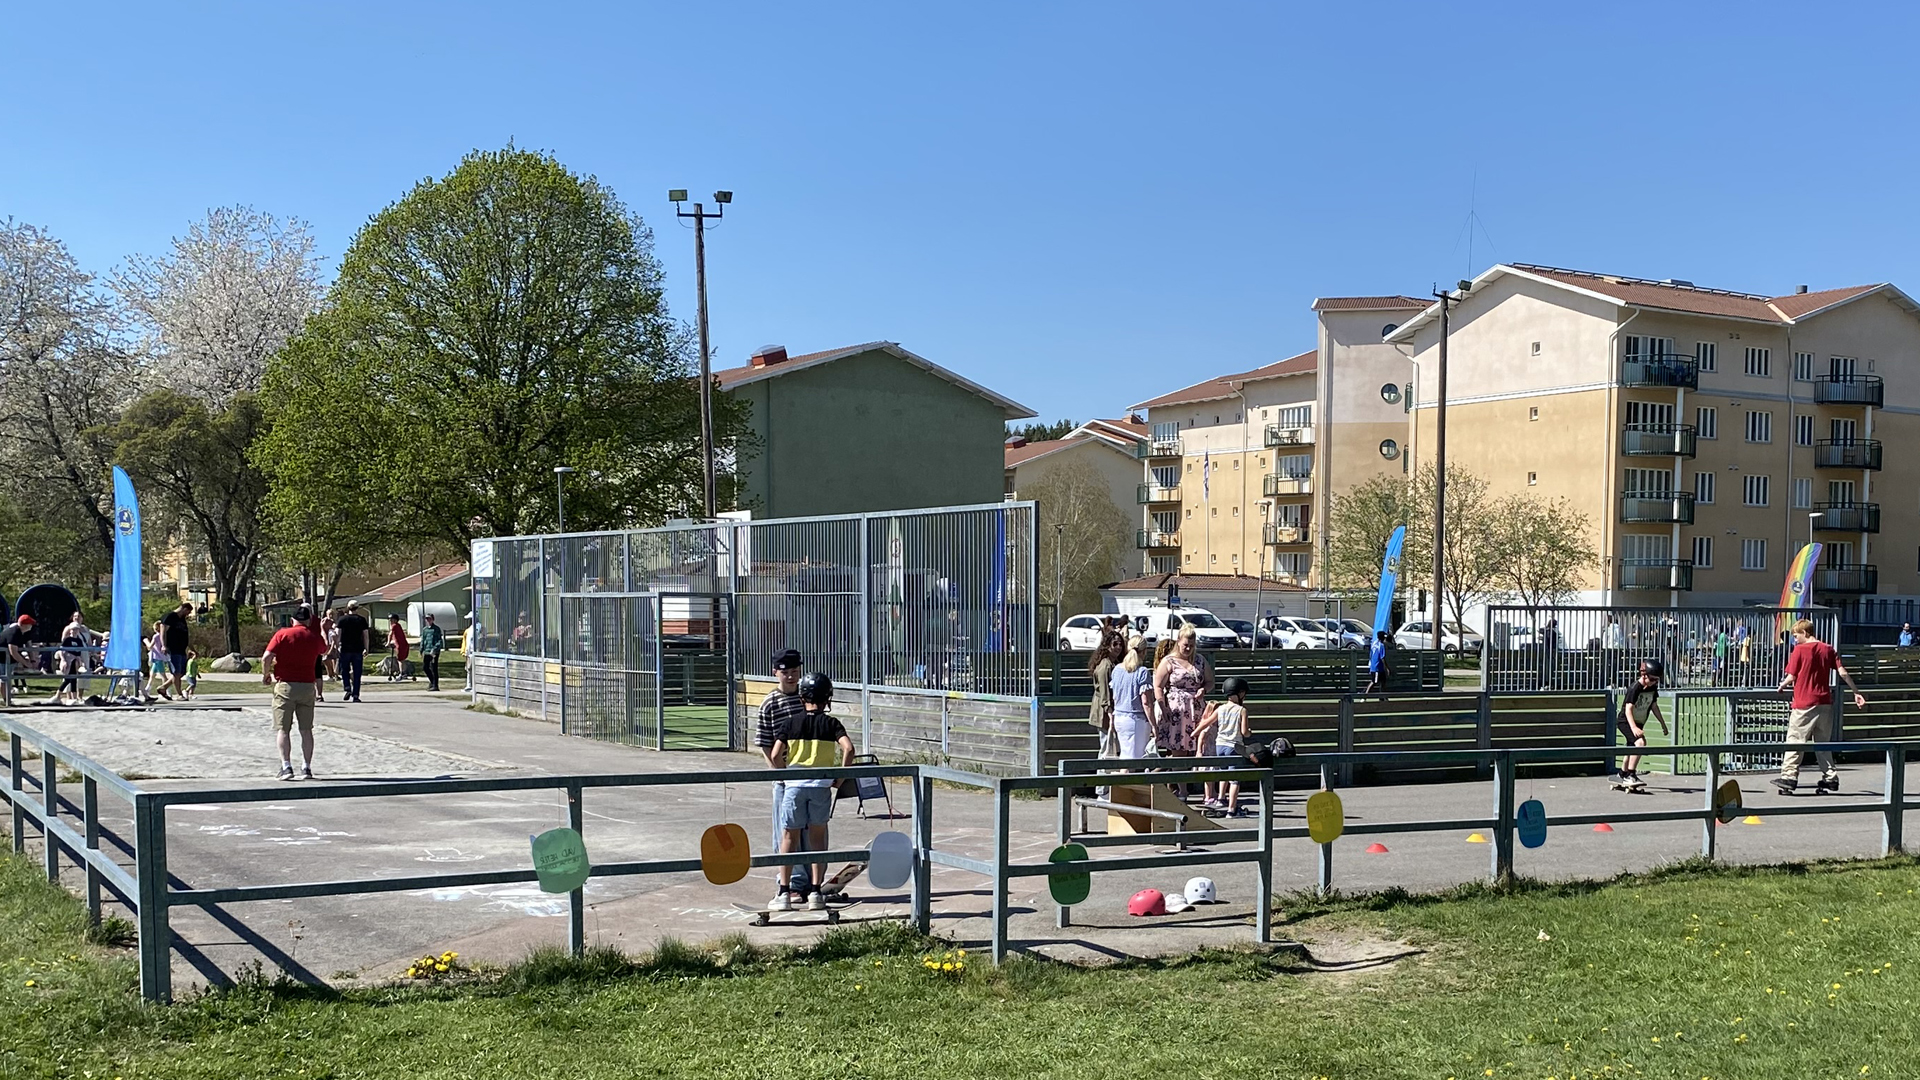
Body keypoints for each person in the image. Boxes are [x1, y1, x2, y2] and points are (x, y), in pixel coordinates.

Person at [769, 671, 854, 913]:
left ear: (802, 696)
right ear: (828, 698)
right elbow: (849, 749)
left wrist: (784, 775)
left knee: (789, 838)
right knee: (818, 839)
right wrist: (840, 777)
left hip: (794, 787)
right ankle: (816, 892)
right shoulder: (832, 724)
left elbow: (775, 755)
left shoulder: (791, 723)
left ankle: (784, 892)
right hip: (820, 788)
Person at [1774, 618, 1867, 795]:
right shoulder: (1828, 649)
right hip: (1824, 702)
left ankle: (1789, 777)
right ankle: (1830, 778)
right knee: (1823, 743)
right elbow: (1842, 672)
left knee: (1795, 740)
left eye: (1796, 635)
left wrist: (1782, 685)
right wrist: (1856, 692)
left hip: (1804, 703)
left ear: (1805, 633)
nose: (1794, 639)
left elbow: (1792, 676)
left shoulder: (1800, 650)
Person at [754, 649, 808, 901]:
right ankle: (790, 882)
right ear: (775, 672)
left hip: (808, 773)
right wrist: (777, 773)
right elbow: (765, 743)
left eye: (795, 673)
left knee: (810, 828)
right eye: (785, 673)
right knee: (786, 830)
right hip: (784, 776)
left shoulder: (806, 698)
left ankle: (811, 879)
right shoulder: (770, 703)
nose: (790, 677)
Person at [262, 604, 326, 780]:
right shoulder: (314, 637)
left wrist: (266, 674)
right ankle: (306, 767)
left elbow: (266, 656)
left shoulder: (282, 634)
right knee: (306, 730)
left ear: (293, 620)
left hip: (285, 685)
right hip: (307, 685)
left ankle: (286, 766)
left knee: (283, 729)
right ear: (308, 620)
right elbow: (325, 649)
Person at [1199, 676, 1252, 813]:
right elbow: (1244, 732)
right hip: (1234, 746)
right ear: (1240, 694)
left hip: (1219, 746)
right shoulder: (1242, 710)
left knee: (1223, 774)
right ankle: (1231, 809)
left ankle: (1221, 799)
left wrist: (1195, 733)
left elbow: (1207, 722)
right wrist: (1249, 733)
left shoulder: (1220, 708)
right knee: (1235, 780)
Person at [1614, 659, 1668, 792]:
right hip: (1625, 721)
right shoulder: (1635, 688)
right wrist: (1633, 727)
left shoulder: (1652, 688)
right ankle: (1631, 774)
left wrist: (1663, 723)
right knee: (1640, 743)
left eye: (1657, 680)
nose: (1655, 682)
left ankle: (1622, 773)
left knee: (1631, 747)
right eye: (1653, 679)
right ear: (1644, 675)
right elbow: (1628, 709)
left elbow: (1654, 706)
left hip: (1638, 722)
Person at [1152, 626, 1206, 759]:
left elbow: (1210, 681)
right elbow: (1158, 686)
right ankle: (1177, 778)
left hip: (1196, 709)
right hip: (1177, 711)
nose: (1188, 649)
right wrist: (1163, 707)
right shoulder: (1168, 661)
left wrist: (1203, 689)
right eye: (1185, 645)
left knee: (1197, 749)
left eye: (1192, 646)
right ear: (1178, 641)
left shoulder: (1199, 660)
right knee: (1178, 751)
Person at [1109, 633, 1155, 759]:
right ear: (1144, 652)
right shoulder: (1142, 672)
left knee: (1126, 757)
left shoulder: (1117, 670)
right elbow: (1146, 703)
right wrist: (1154, 725)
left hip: (1119, 717)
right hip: (1136, 720)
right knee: (1132, 762)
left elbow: (1114, 697)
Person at [57, 612, 96, 705]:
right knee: (70, 674)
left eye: (79, 616)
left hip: (84, 653)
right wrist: (63, 657)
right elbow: (63, 643)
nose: (77, 618)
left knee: (83, 673)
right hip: (71, 654)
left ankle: (79, 696)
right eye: (75, 616)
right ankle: (69, 697)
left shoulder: (85, 629)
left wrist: (93, 652)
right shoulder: (69, 628)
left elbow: (89, 642)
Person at [335, 601, 370, 702]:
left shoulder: (342, 620)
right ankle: (356, 695)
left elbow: (338, 635)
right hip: (357, 649)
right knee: (357, 672)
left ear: (348, 608)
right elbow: (365, 636)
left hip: (345, 649)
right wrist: (366, 648)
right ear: (357, 608)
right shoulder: (361, 620)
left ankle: (347, 688)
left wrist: (337, 647)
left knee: (344, 670)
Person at [160, 600, 192, 700]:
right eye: (188, 612)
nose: (188, 615)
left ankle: (163, 687)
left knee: (181, 672)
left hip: (181, 648)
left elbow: (185, 634)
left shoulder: (182, 619)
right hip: (172, 648)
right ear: (184, 609)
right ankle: (179, 695)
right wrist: (163, 645)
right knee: (176, 672)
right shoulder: (170, 617)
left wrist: (191, 648)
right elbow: (163, 632)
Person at [419, 612, 445, 691]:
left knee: (434, 668)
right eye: (427, 619)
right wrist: (421, 650)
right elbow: (423, 640)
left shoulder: (436, 629)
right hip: (427, 651)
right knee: (425, 667)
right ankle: (432, 681)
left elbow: (439, 641)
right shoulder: (425, 630)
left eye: (429, 619)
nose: (428, 620)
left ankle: (435, 685)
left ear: (433, 619)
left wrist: (434, 649)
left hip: (434, 652)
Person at [147, 621, 172, 701]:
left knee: (163, 675)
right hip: (159, 657)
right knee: (152, 675)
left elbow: (150, 646)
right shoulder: (164, 636)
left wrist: (146, 642)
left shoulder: (155, 636)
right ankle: (147, 689)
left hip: (158, 658)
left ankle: (167, 690)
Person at [1365, 629, 1391, 697]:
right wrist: (1387, 668)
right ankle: (1365, 696)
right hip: (1377, 668)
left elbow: (1371, 655)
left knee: (1383, 682)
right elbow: (1382, 658)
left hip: (1376, 667)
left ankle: (1382, 697)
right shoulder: (1381, 646)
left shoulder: (1374, 643)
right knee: (1374, 682)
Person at [387, 615, 411, 681]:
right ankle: (404, 673)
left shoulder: (394, 626)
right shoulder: (398, 625)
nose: (390, 621)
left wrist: (388, 642)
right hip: (404, 644)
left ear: (395, 620)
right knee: (402, 660)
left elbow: (390, 634)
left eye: (391, 619)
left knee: (400, 660)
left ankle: (401, 674)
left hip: (400, 645)